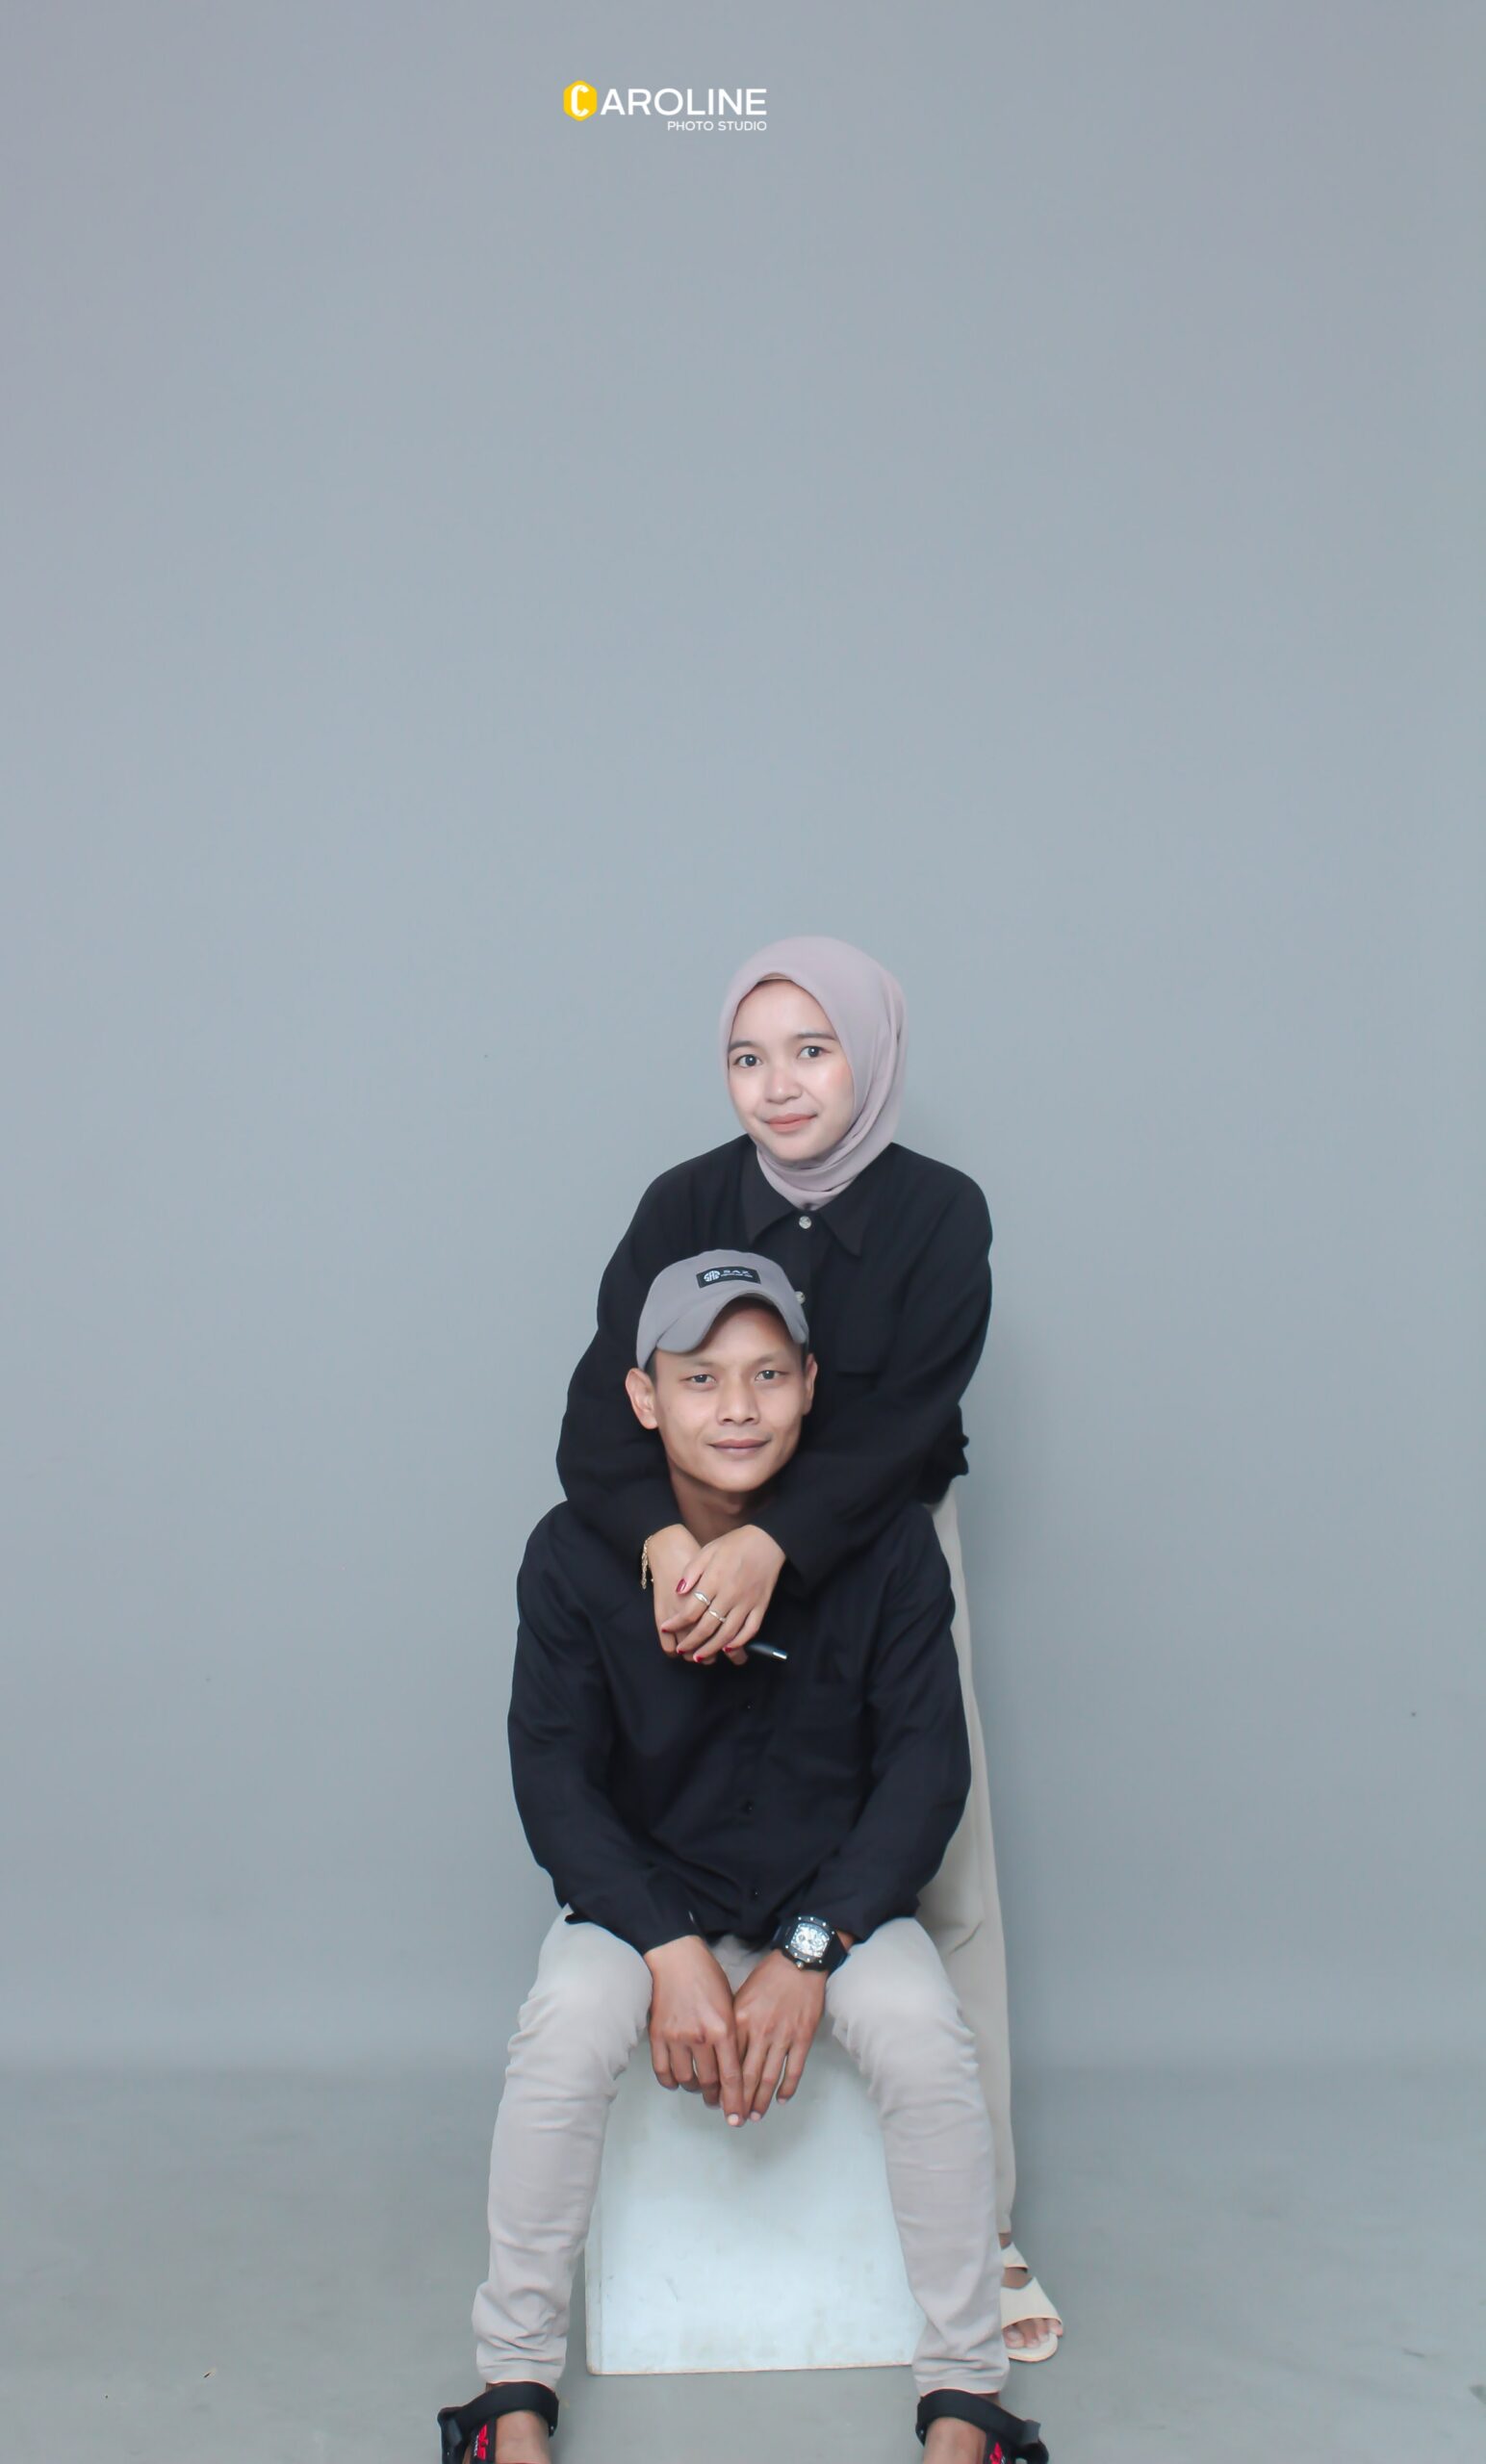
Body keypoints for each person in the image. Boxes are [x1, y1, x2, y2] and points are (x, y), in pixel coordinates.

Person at [436, 1255, 1051, 2464]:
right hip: (643, 1907)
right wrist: (664, 1946)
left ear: (810, 1384)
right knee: (560, 2026)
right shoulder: (570, 1554)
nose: (736, 1406)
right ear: (643, 1397)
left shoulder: (888, 1547)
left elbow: (924, 1775)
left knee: (925, 2033)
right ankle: (510, 2394)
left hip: (834, 1908)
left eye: (767, 1375)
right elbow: (552, 1778)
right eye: (700, 1377)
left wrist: (811, 1948)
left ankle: (966, 2403)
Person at [555, 936, 1061, 2359]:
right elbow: (600, 1409)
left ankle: (987, 2227)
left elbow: (904, 1422)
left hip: (874, 1546)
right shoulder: (682, 1200)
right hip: (695, 1537)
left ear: (870, 1057)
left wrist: (776, 1545)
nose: (778, 1086)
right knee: (676, 1792)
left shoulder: (939, 1211)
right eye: (747, 1056)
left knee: (942, 1866)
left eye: (811, 1051)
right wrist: (673, 1547)